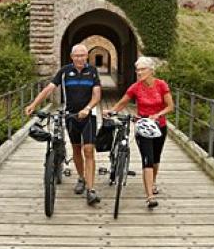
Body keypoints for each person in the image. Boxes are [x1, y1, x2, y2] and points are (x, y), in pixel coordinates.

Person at [25, 44, 102, 205]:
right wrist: (34, 104)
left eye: (83, 55)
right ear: (72, 57)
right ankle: (81, 177)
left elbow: (97, 95)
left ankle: (91, 189)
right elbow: (49, 89)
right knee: (76, 148)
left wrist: (88, 108)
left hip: (89, 115)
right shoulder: (65, 71)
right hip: (70, 115)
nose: (80, 58)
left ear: (87, 56)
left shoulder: (92, 71)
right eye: (77, 56)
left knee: (88, 150)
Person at [103, 56, 173, 208]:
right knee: (147, 160)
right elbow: (122, 103)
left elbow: (170, 106)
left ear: (151, 70)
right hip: (142, 126)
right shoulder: (135, 87)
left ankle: (153, 181)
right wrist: (111, 111)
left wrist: (159, 114)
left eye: (142, 69)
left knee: (155, 159)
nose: (139, 72)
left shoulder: (161, 85)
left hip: (159, 126)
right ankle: (149, 196)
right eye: (137, 70)